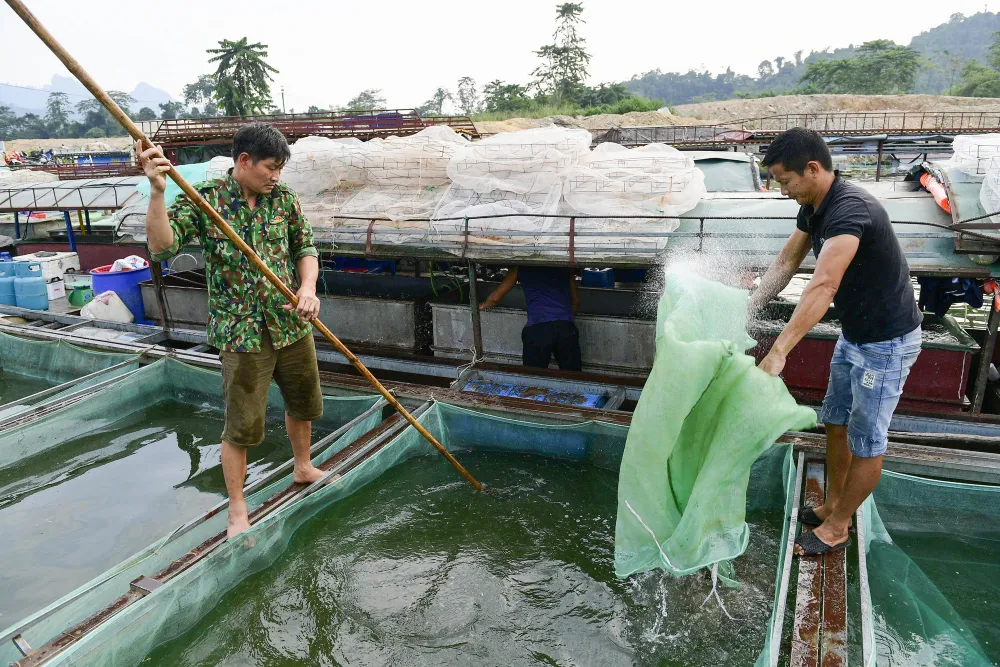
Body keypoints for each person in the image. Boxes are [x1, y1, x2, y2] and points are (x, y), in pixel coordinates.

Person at [138, 122, 325, 538]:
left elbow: (304, 248)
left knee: (303, 403)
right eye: (270, 168)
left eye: (280, 169)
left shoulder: (284, 200)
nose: (276, 176)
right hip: (242, 334)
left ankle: (303, 466)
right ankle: (237, 508)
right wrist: (156, 192)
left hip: (291, 322)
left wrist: (307, 288)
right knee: (240, 426)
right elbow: (161, 247)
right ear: (244, 161)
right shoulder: (205, 202)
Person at [748, 128, 922, 557]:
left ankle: (840, 524)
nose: (784, 191)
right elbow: (787, 261)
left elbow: (823, 286)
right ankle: (831, 505)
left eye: (786, 181)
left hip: (887, 344)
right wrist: (747, 308)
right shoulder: (814, 205)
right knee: (836, 420)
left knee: (867, 438)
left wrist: (779, 350)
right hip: (855, 336)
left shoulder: (849, 211)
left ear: (812, 169)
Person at [480, 265, 582, 371]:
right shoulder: (565, 266)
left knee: (534, 378)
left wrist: (481, 306)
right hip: (566, 328)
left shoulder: (519, 266)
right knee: (573, 377)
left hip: (538, 329)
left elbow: (494, 298)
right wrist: (562, 319)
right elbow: (575, 302)